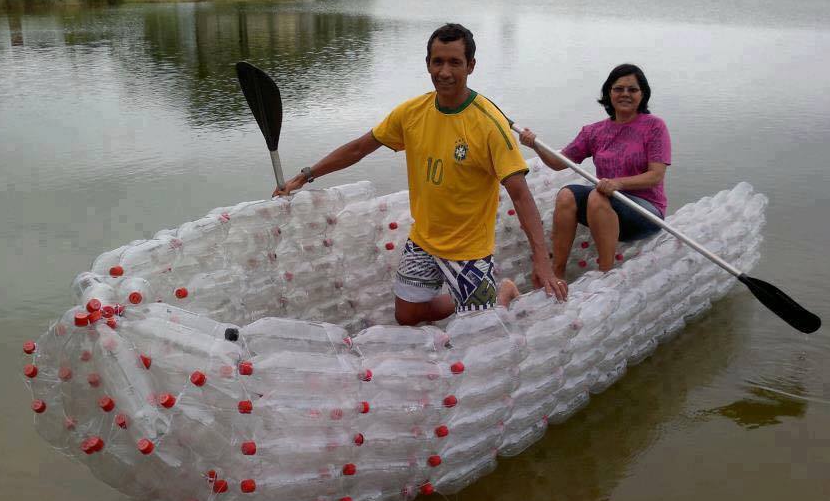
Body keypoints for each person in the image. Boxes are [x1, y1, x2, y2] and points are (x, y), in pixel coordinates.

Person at [273, 23, 564, 326]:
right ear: (427, 64)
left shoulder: (490, 124)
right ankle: (474, 300)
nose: (445, 71)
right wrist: (306, 175)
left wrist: (542, 261)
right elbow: (360, 148)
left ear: (471, 66)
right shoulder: (412, 113)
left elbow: (520, 194)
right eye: (437, 62)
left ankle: (501, 293)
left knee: (481, 332)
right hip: (424, 240)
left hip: (469, 249)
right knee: (407, 315)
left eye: (455, 62)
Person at [518, 63, 671, 278]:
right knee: (566, 194)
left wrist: (619, 184)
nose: (625, 94)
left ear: (642, 94)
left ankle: (605, 274)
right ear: (609, 93)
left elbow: (656, 175)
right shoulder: (594, 131)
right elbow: (559, 162)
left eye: (632, 89)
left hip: (645, 211)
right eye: (618, 89)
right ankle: (556, 273)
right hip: (605, 202)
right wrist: (534, 144)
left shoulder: (654, 126)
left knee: (598, 196)